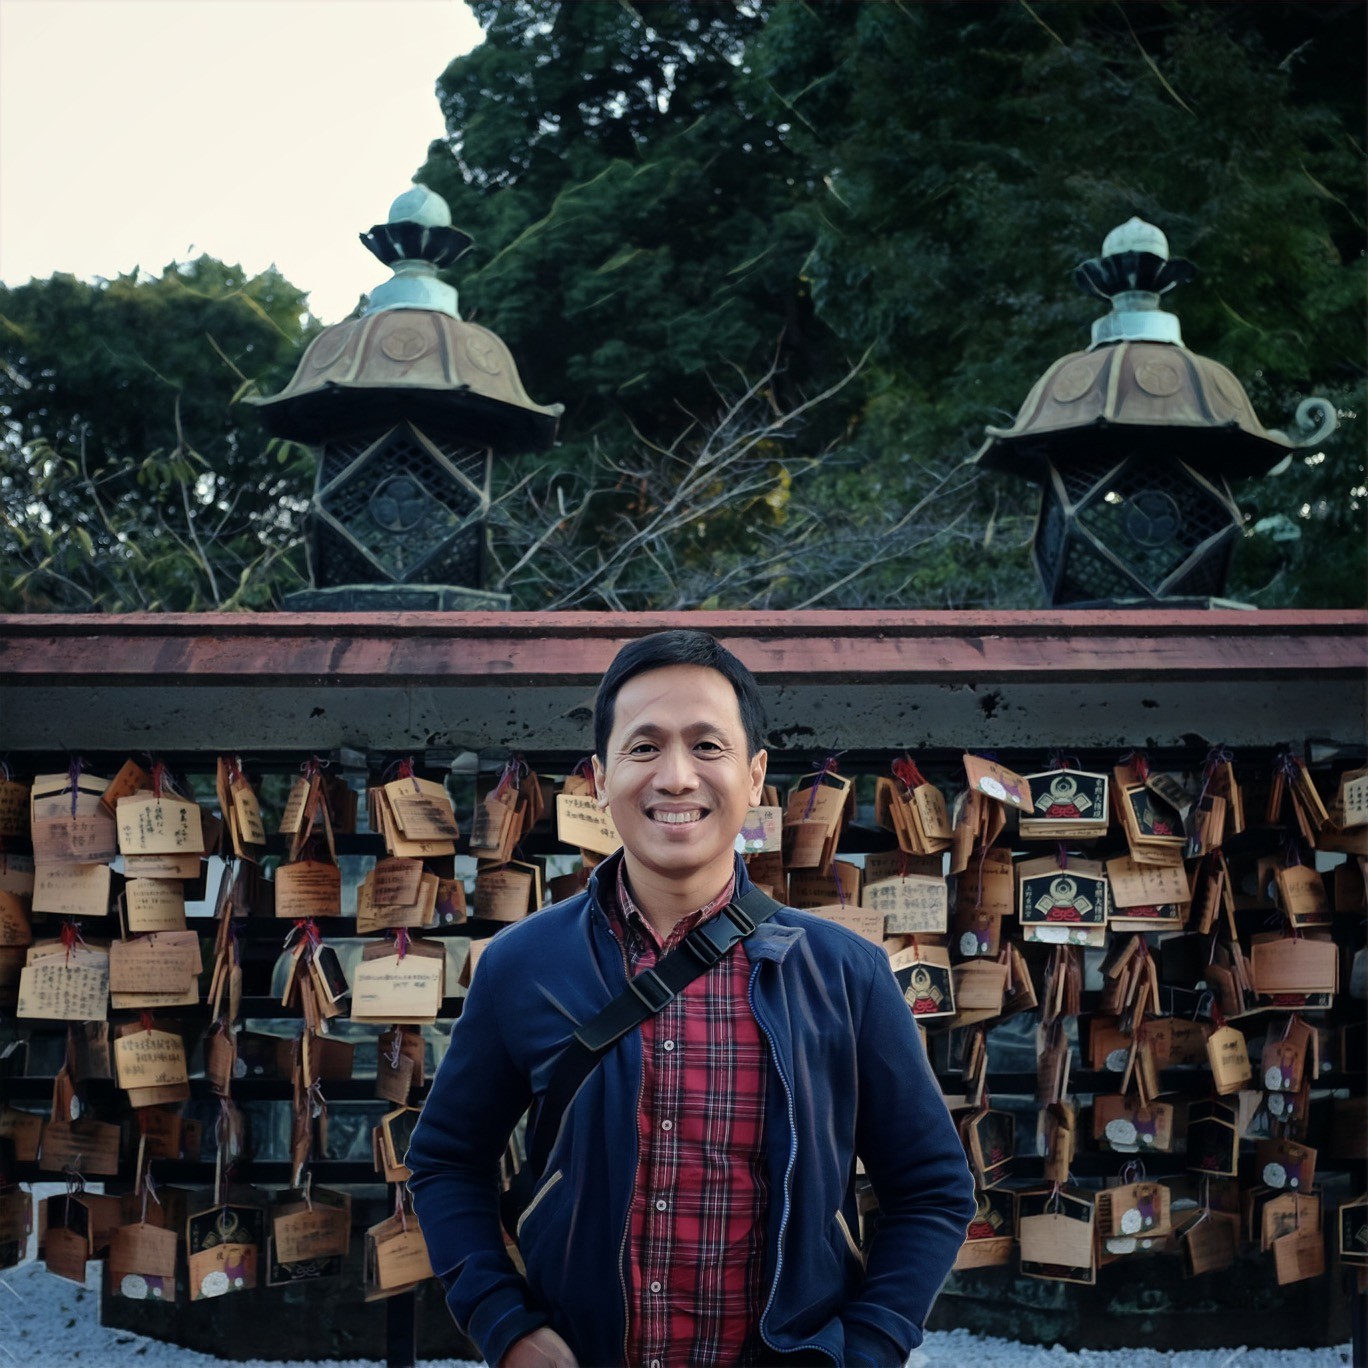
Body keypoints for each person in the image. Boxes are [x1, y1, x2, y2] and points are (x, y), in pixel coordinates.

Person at [406, 630, 976, 1368]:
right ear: (600, 778)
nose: (676, 778)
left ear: (755, 775)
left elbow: (931, 1190)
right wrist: (504, 1325)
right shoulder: (522, 965)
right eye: (643, 748)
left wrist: (866, 1348)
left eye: (708, 746)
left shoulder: (845, 973)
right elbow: (447, 1162)